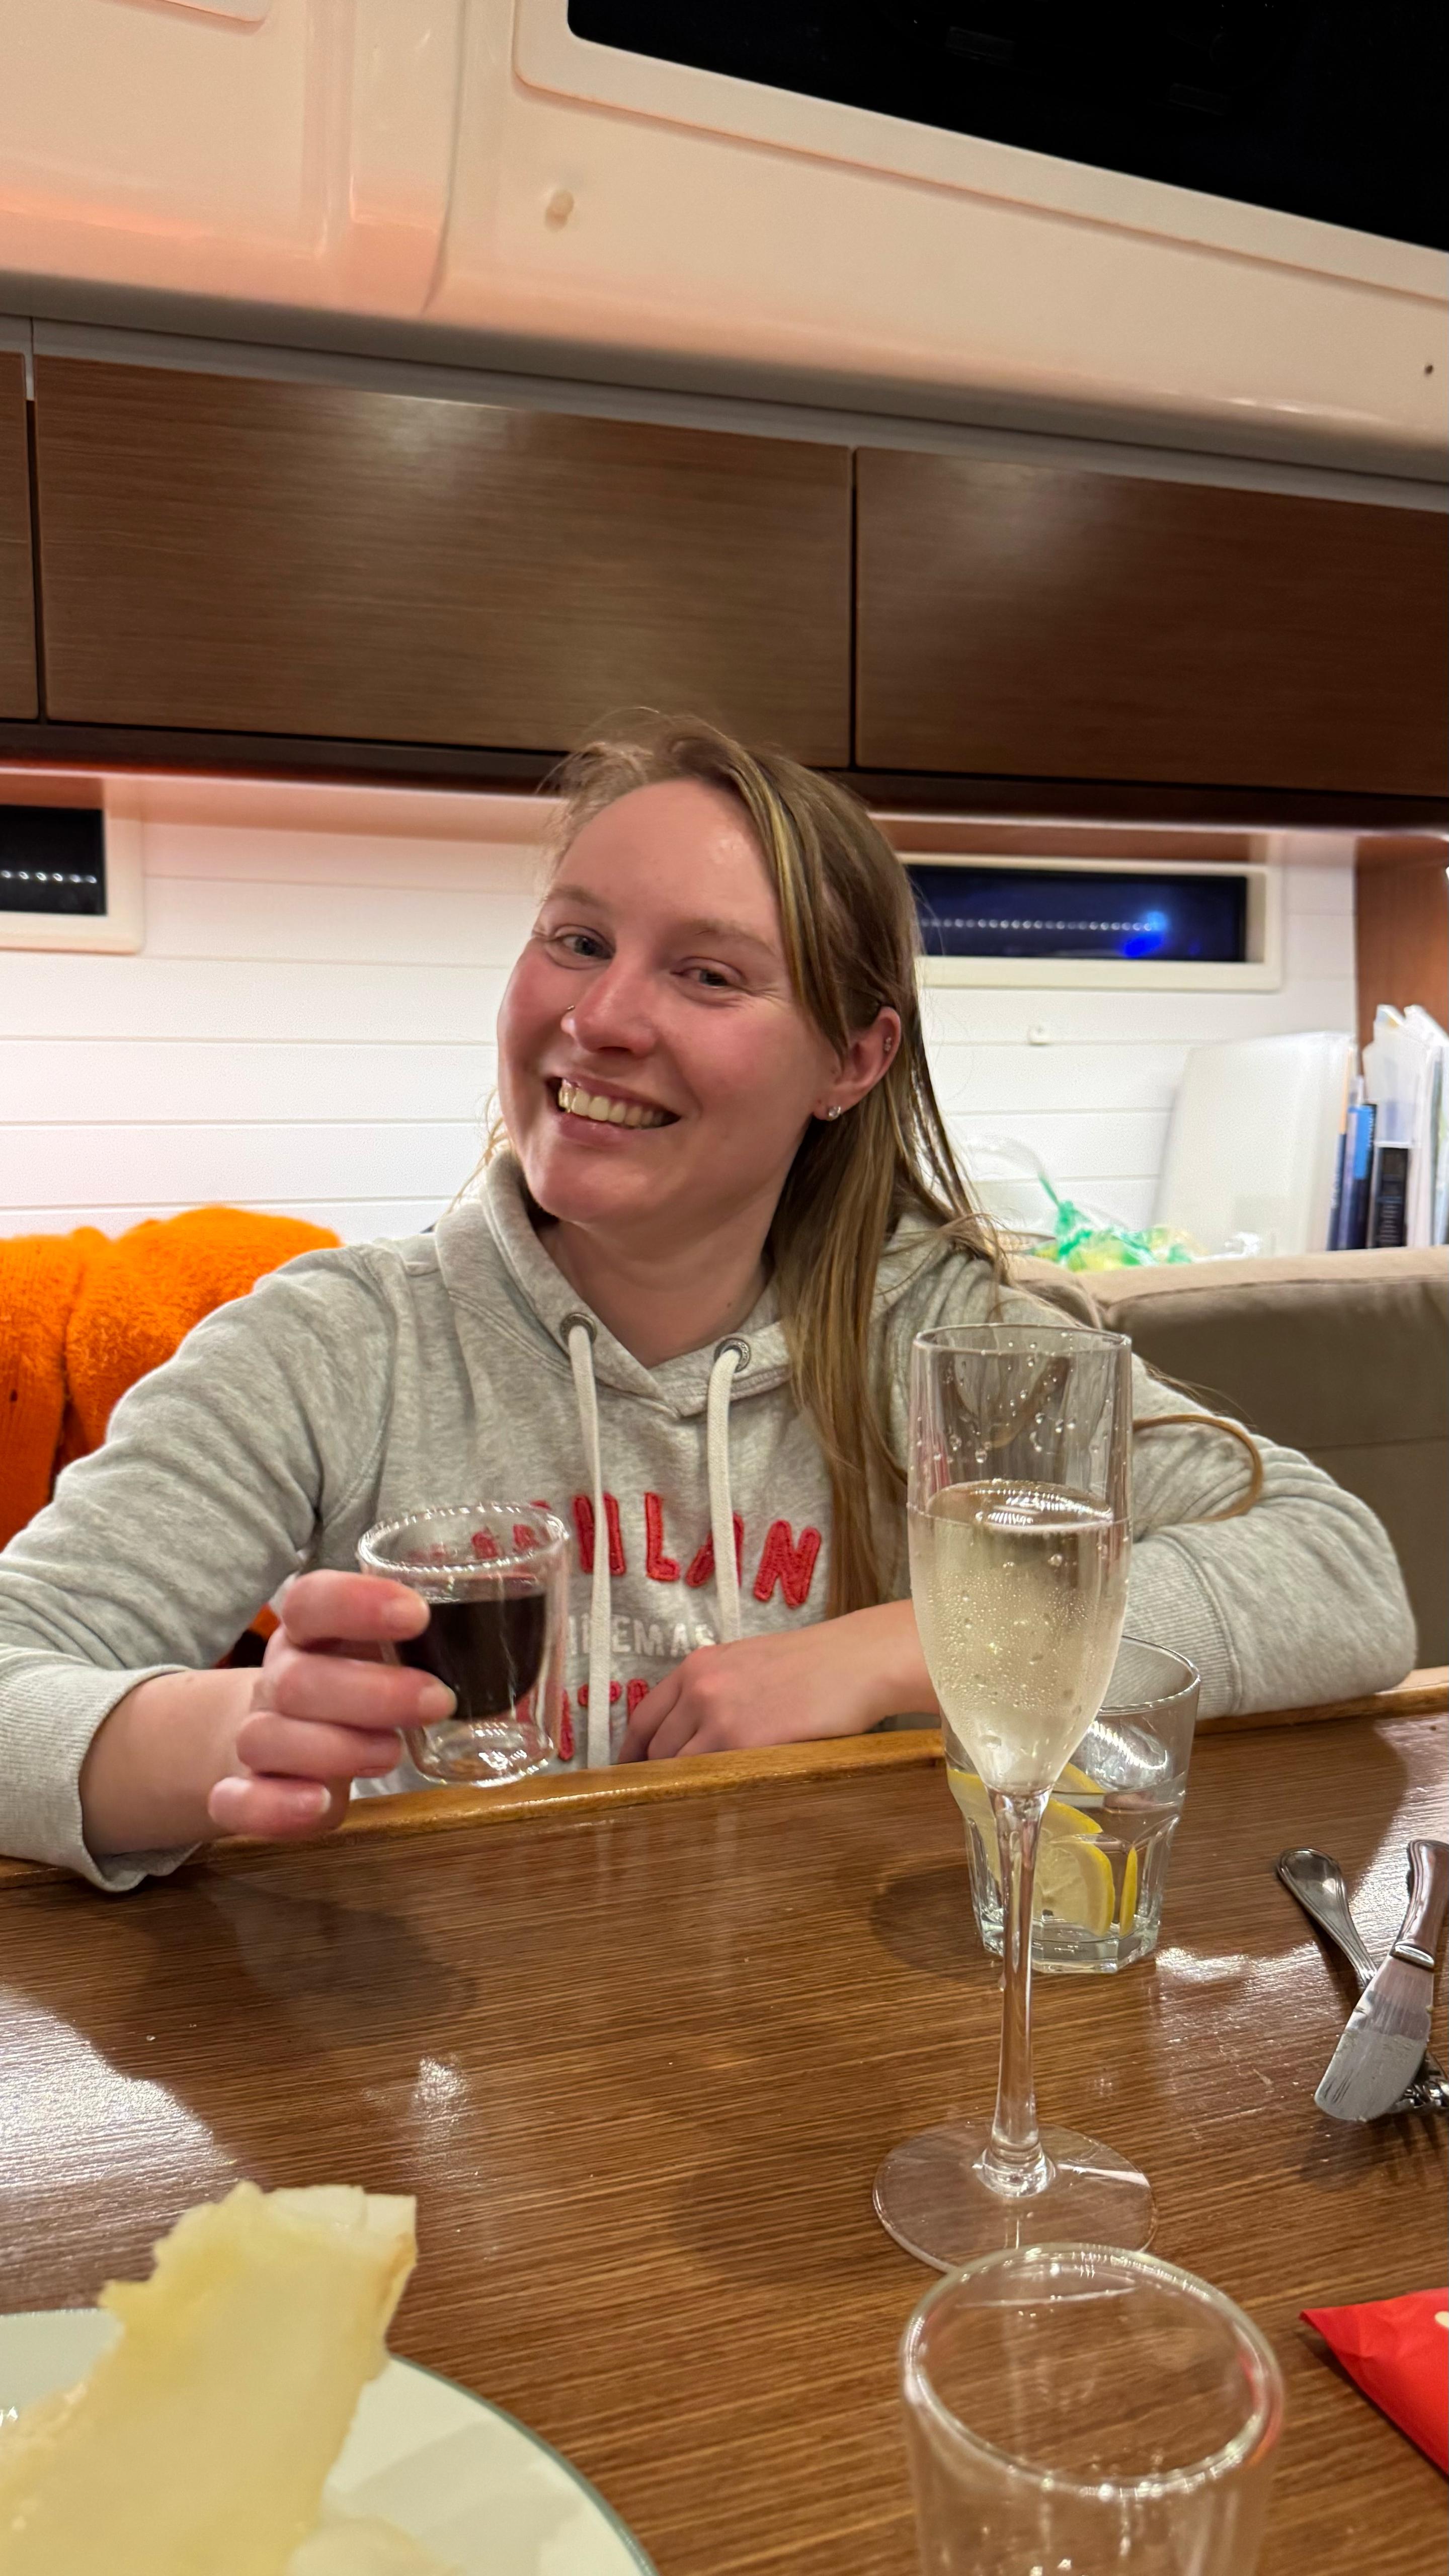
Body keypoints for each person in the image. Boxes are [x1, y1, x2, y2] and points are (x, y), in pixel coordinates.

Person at [0, 719, 1415, 1888]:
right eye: (576, 940)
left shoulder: (955, 1346)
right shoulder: (337, 1346)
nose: (602, 1018)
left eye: (708, 974)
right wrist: (236, 1733)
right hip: (454, 2074)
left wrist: (891, 1652)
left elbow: (1338, 1577)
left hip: (843, 2053)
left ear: (852, 1063)